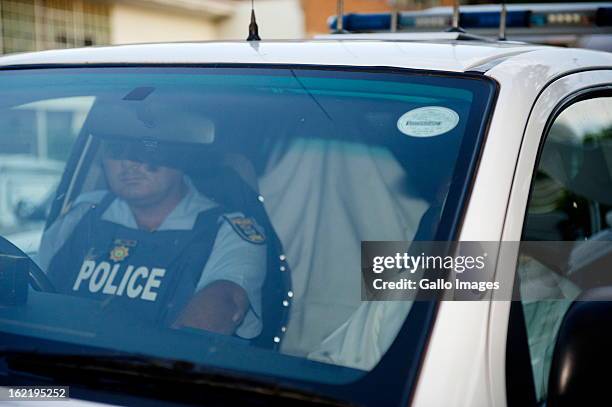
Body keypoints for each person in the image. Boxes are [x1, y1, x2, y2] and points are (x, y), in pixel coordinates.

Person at [38, 137, 267, 338]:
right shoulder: (82, 215)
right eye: (116, 149)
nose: (128, 163)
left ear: (181, 154)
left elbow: (224, 304)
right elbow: (32, 291)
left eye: (146, 147)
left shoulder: (226, 231)